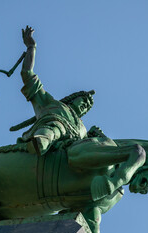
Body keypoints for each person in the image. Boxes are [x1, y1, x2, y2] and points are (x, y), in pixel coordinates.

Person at [18, 26, 95, 156]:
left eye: (87, 107)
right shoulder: (52, 104)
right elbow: (27, 74)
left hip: (72, 152)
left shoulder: (82, 128)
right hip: (52, 129)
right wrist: (32, 47)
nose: (85, 106)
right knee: (57, 126)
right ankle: (42, 140)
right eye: (84, 100)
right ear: (73, 98)